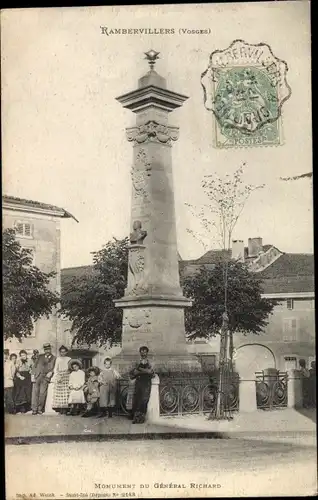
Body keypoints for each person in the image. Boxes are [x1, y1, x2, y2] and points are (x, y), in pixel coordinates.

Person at [129, 346, 155, 424]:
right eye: (142, 352)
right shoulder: (136, 362)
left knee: (144, 400)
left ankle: (141, 418)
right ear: (140, 353)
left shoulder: (150, 362)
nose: (143, 353)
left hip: (146, 383)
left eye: (145, 352)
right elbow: (133, 373)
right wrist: (145, 371)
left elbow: (151, 373)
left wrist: (140, 370)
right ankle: (136, 418)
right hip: (139, 382)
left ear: (147, 353)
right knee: (137, 400)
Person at [31, 343, 56, 415]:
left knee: (42, 393)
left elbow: (55, 367)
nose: (47, 350)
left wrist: (51, 372)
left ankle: (39, 409)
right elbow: (34, 366)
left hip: (45, 377)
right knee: (35, 393)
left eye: (48, 349)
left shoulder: (54, 358)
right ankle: (34, 409)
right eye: (45, 349)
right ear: (44, 350)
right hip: (37, 376)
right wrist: (33, 375)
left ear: (50, 349)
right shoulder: (39, 356)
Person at [52, 345, 71, 415]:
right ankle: (60, 408)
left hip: (67, 376)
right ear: (60, 352)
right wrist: (57, 375)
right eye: (61, 352)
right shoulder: (58, 359)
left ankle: (66, 408)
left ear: (66, 352)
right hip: (60, 376)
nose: (63, 353)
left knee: (66, 392)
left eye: (64, 352)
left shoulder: (69, 359)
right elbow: (55, 368)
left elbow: (71, 367)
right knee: (60, 393)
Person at [4, 350, 16, 414]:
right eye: (4, 354)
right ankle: (6, 409)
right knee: (5, 397)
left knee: (9, 397)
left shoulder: (11, 363)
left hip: (8, 382)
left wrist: (11, 377)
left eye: (6, 354)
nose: (5, 356)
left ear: (8, 355)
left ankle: (12, 410)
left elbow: (13, 371)